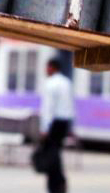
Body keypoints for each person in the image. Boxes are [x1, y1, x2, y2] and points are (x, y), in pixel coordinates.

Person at [37, 58, 75, 193]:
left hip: (53, 123)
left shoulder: (50, 83)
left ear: (52, 68)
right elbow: (70, 105)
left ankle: (56, 183)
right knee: (56, 152)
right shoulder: (67, 82)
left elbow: (48, 108)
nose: (45, 71)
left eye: (47, 68)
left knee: (52, 154)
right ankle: (58, 182)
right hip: (64, 122)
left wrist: (44, 128)